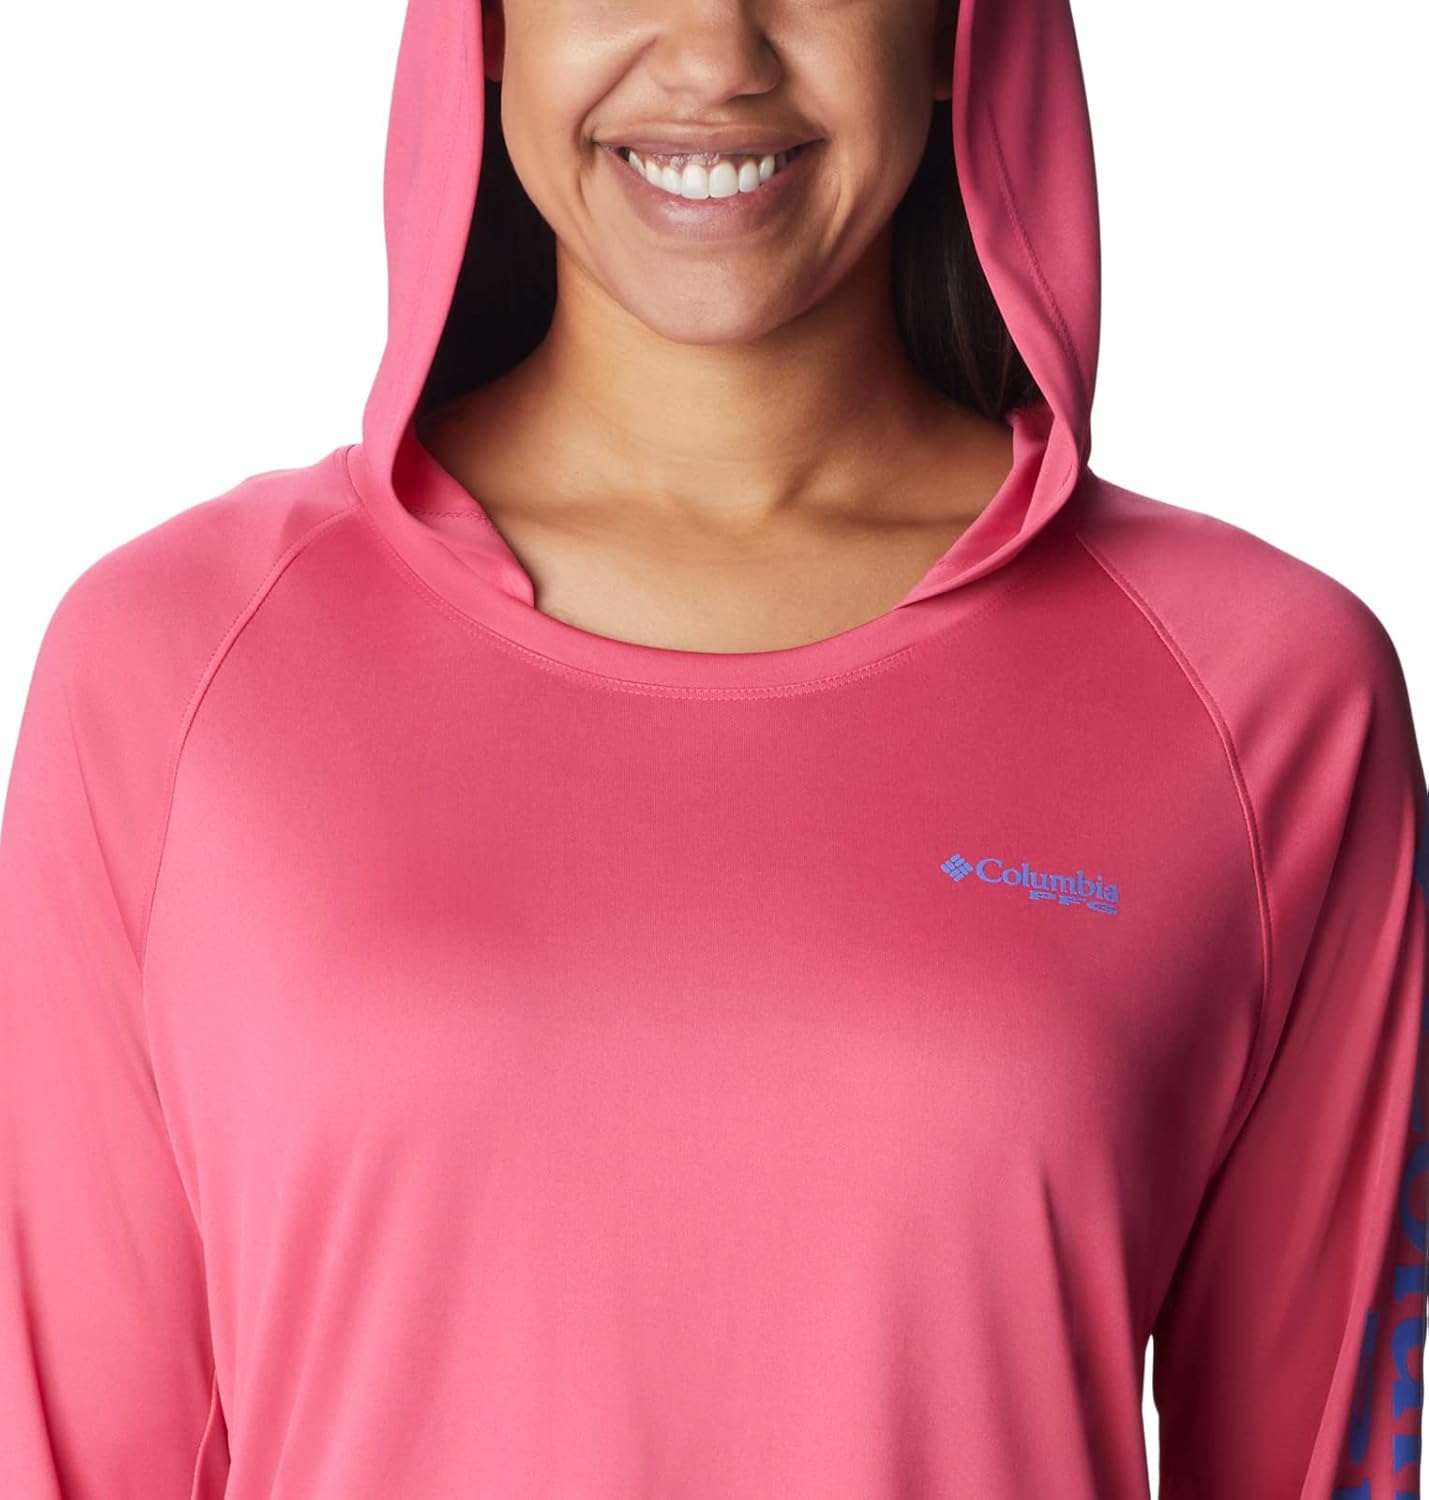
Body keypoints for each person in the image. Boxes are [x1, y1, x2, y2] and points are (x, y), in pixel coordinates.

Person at [1, 0, 1425, 1495]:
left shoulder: (1266, 702)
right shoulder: (171, 672)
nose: (714, 56)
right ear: (483, 29)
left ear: (958, 30)